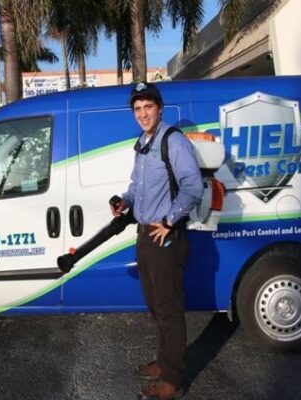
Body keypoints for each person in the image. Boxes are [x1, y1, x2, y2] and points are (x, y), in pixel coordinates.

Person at [113, 81, 202, 400]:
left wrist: (168, 220)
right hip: (144, 234)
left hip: (165, 235)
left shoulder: (172, 140)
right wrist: (124, 201)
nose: (142, 114)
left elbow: (193, 187)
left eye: (148, 107)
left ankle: (173, 379)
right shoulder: (142, 143)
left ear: (159, 108)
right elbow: (136, 186)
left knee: (168, 307)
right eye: (137, 109)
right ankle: (165, 361)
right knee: (154, 305)